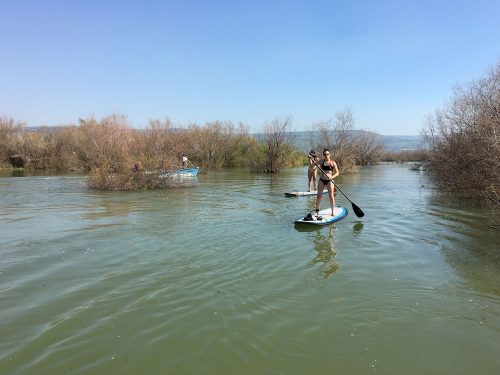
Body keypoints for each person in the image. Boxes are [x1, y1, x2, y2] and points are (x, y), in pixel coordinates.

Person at [314, 148, 339, 217]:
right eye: (325, 154)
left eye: (327, 154)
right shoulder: (321, 161)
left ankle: (333, 212)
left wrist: (332, 177)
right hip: (322, 180)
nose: (326, 155)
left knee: (331, 196)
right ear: (323, 155)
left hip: (329, 181)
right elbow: (313, 165)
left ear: (329, 154)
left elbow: (337, 173)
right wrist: (312, 159)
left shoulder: (333, 163)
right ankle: (317, 211)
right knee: (319, 196)